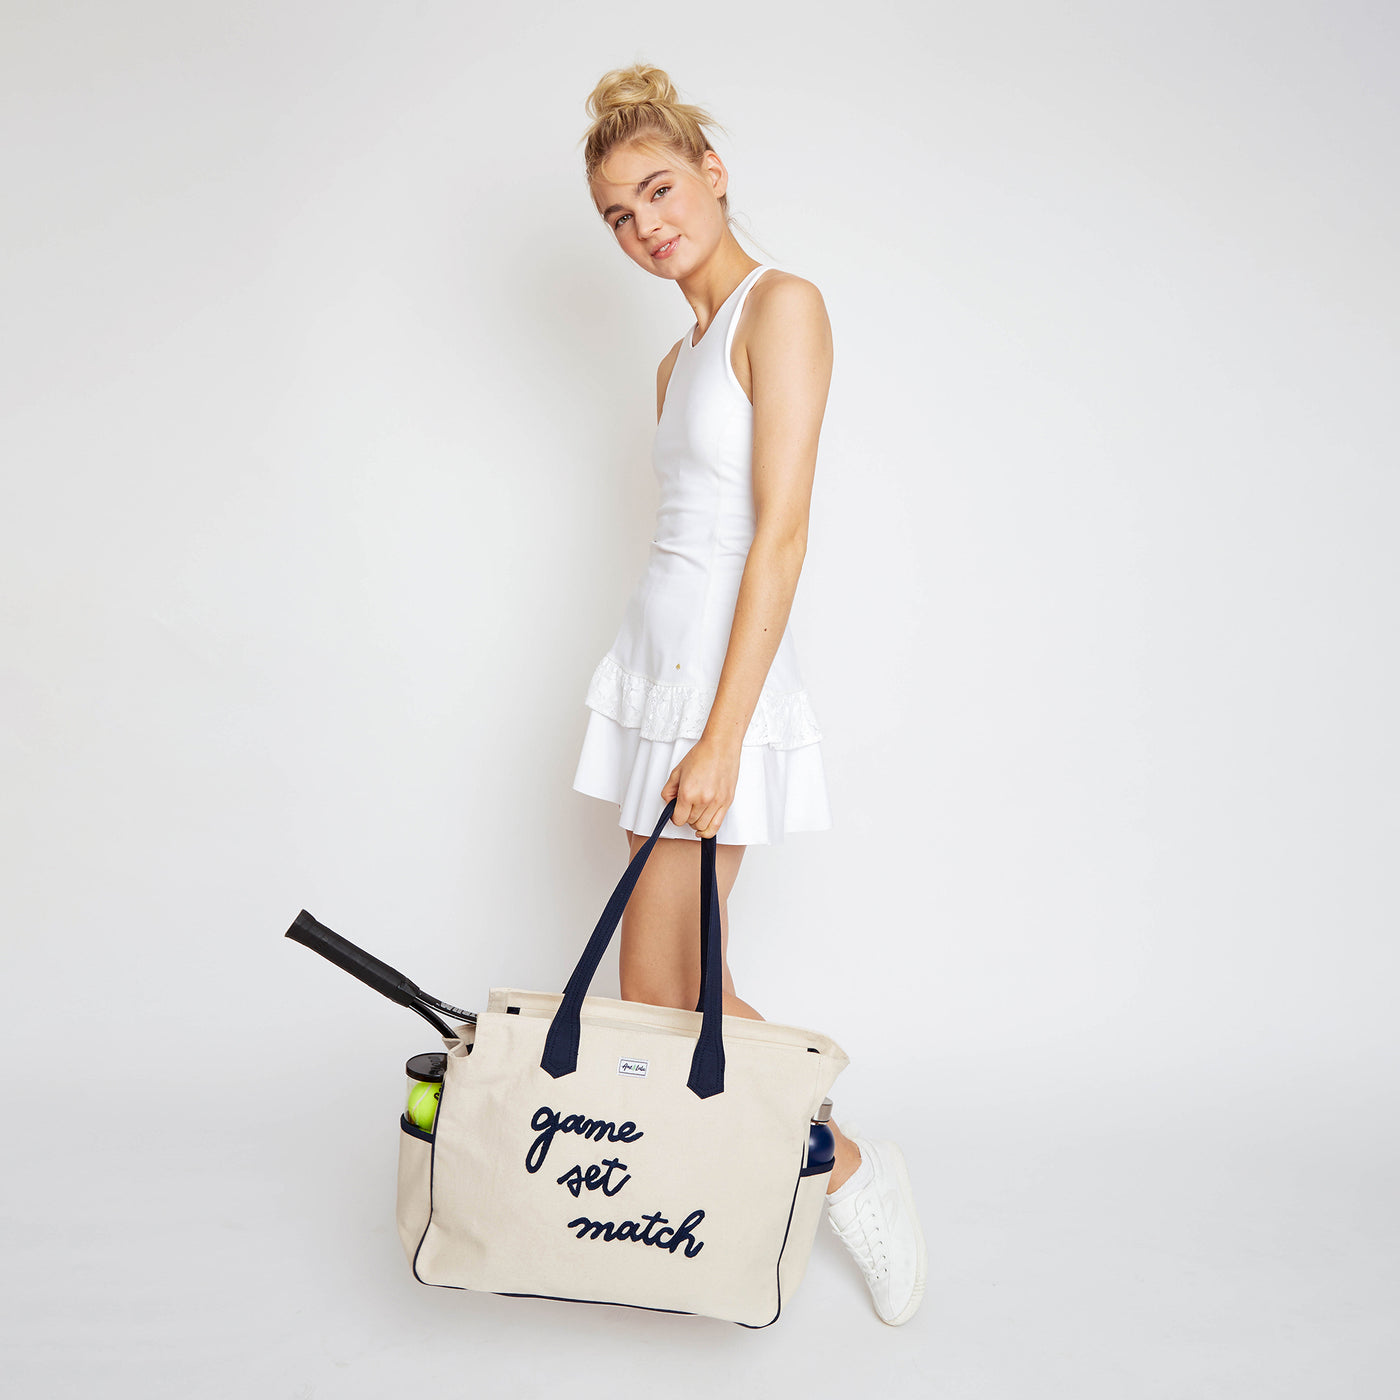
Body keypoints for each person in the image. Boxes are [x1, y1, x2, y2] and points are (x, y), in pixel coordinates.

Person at [570, 62, 927, 1327]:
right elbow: (679, 540)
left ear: (713, 174)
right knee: (664, 990)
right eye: (618, 213)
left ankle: (844, 1169)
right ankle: (751, 1192)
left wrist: (723, 734)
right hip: (651, 671)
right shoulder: (676, 363)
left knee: (670, 991)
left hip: (722, 692)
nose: (645, 225)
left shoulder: (784, 307)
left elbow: (777, 538)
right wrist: (660, 706)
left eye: (658, 189)